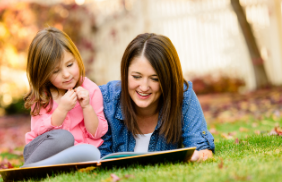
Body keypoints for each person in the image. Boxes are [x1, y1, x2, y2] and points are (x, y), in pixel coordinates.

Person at [99, 33, 215, 162]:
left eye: (155, 79)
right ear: (125, 73)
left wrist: (200, 156)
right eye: (136, 76)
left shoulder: (182, 95)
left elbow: (201, 148)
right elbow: (97, 156)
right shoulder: (106, 98)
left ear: (168, 79)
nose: (144, 87)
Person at [22, 27, 108, 167]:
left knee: (91, 150)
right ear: (44, 74)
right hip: (41, 149)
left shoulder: (91, 90)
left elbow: (96, 134)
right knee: (65, 137)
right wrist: (61, 110)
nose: (67, 74)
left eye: (70, 65)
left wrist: (86, 107)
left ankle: (47, 166)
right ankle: (31, 166)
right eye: (56, 71)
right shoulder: (42, 96)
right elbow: (38, 131)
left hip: (79, 149)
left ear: (76, 58)